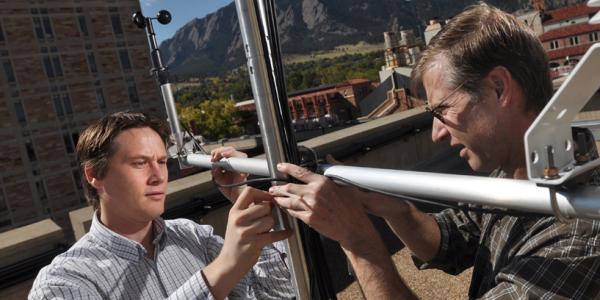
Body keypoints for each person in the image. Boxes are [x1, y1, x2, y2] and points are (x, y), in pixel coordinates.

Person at [219, 4, 600, 299]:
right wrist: (390, 205)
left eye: (442, 111)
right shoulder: (523, 172)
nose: (435, 133)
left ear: (499, 88)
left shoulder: (580, 230)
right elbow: (450, 242)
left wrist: (358, 241)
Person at [29, 112, 294, 299]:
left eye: (162, 162)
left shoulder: (194, 236)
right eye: (140, 163)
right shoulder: (64, 281)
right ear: (94, 175)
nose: (158, 176)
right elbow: (227, 268)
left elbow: (277, 295)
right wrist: (222, 269)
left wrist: (244, 203)